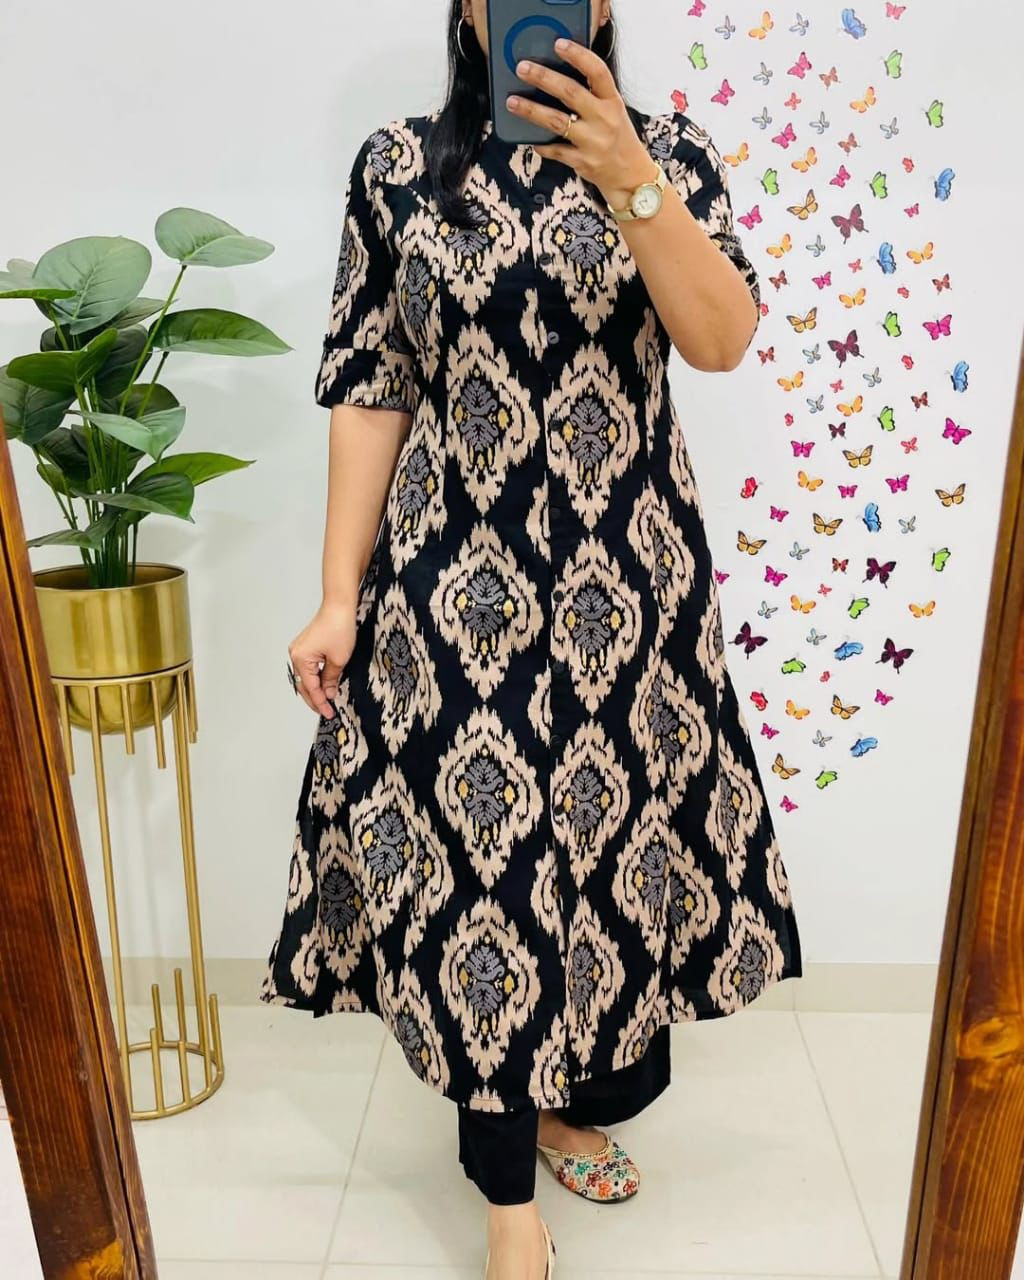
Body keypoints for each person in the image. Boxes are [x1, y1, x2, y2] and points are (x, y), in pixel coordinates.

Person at [261, 2, 803, 1277]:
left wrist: (629, 178)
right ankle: (506, 1197)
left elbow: (720, 341)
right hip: (455, 587)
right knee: (482, 884)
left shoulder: (667, 152)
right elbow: (371, 383)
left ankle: (563, 1101)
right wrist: (337, 593)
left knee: (606, 864)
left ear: (601, 7)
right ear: (467, 9)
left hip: (630, 590)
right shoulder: (399, 167)